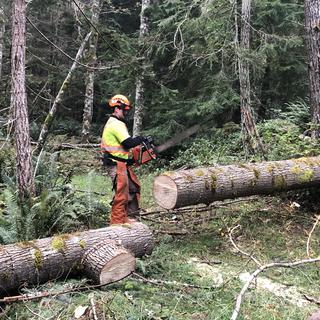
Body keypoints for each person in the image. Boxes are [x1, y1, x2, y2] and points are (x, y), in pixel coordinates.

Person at [101, 94, 146, 225]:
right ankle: (117, 225)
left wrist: (130, 160)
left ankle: (132, 220)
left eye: (127, 110)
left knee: (133, 188)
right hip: (115, 165)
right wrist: (141, 139)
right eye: (124, 110)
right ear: (116, 108)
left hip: (121, 163)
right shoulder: (116, 124)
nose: (125, 112)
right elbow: (127, 143)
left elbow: (120, 148)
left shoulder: (115, 123)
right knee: (122, 196)